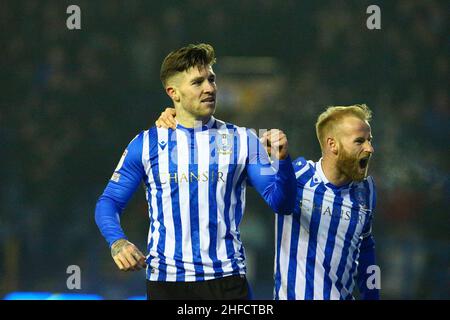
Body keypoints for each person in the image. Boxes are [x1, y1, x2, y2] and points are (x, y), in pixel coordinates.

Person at [94, 43, 297, 300]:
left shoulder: (244, 141)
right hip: (167, 282)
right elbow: (108, 202)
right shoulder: (146, 144)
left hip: (227, 280)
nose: (210, 88)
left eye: (211, 79)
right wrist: (118, 242)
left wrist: (283, 162)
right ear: (173, 92)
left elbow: (282, 203)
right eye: (198, 82)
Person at [156, 104, 379, 300]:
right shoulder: (296, 175)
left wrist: (373, 295)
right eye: (360, 141)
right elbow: (228, 155)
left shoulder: (366, 190)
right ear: (333, 145)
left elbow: (366, 247)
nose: (369, 148)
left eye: (369, 140)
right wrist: (185, 121)